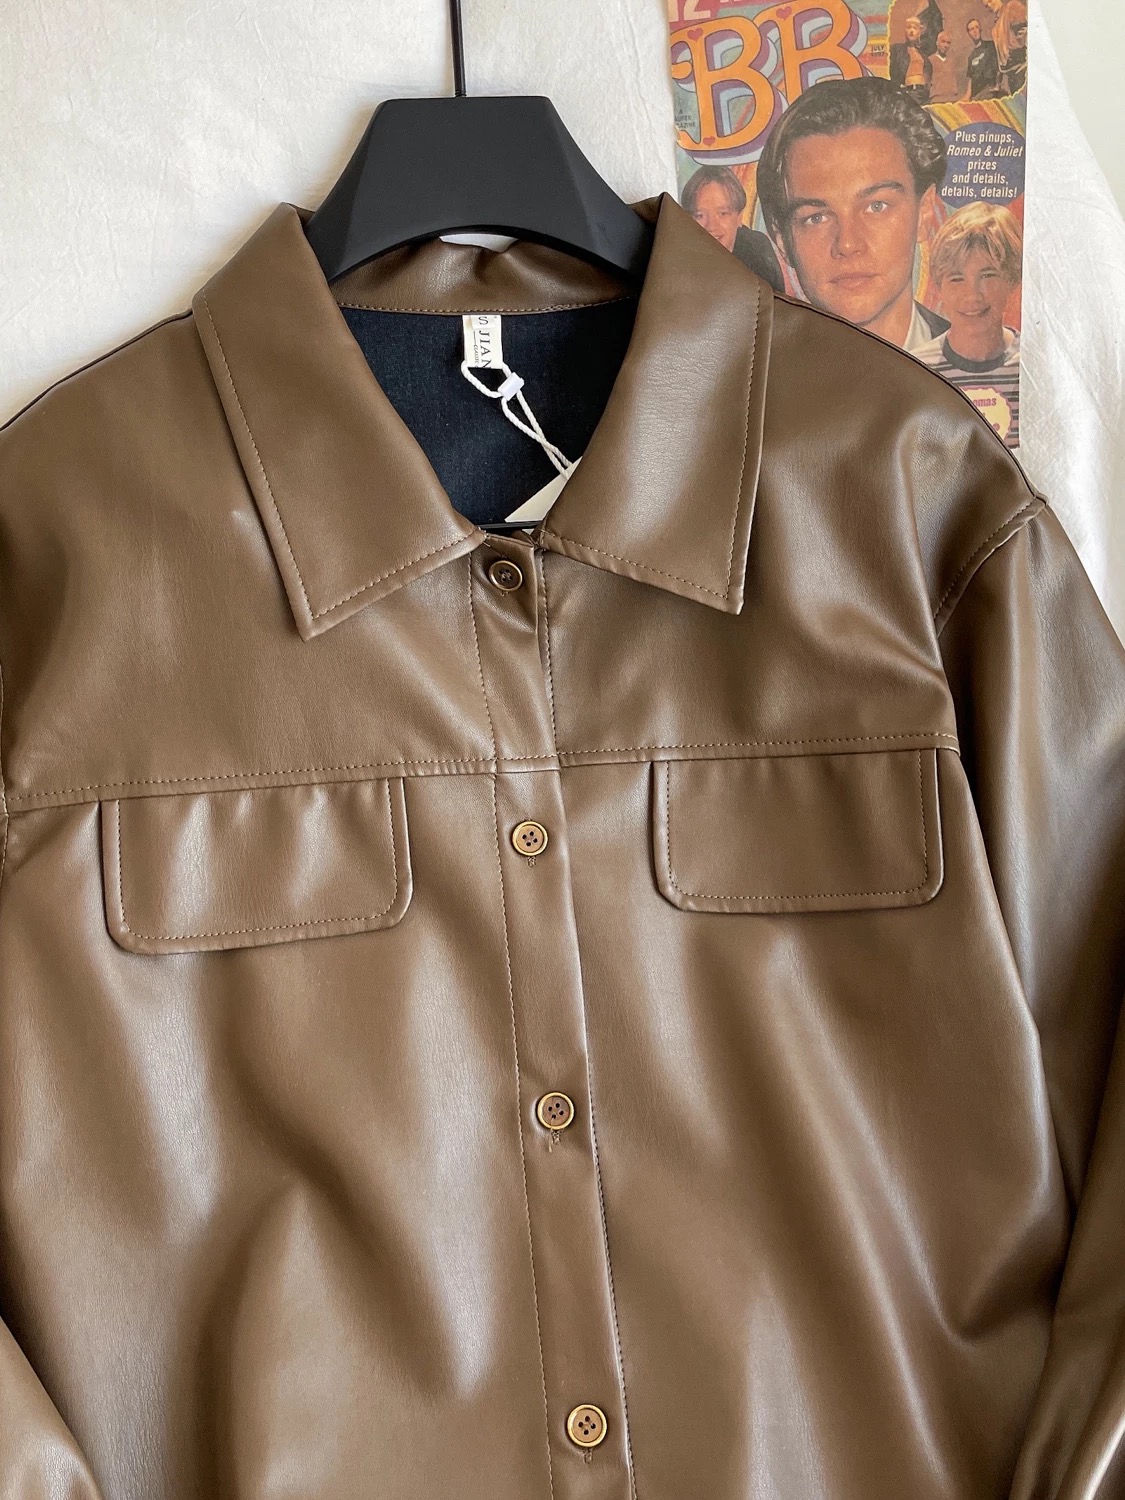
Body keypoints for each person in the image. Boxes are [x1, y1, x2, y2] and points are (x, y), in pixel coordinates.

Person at [755, 75, 950, 350]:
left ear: (925, 212)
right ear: (783, 241)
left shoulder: (993, 364)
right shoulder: (748, 374)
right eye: (816, 218)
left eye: (876, 207)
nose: (847, 244)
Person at [913, 202, 1023, 445]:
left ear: (1011, 279)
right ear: (939, 286)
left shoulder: (1032, 367)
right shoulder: (917, 370)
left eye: (987, 275)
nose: (972, 295)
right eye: (957, 279)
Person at [679, 165, 785, 291]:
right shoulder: (676, 260)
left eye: (722, 213)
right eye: (699, 216)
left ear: (739, 217)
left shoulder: (757, 252)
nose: (711, 226)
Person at [889, 15, 932, 99]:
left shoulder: (923, 56)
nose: (911, 31)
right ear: (905, 31)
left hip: (922, 95)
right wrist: (897, 88)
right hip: (907, 93)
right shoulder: (897, 49)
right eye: (909, 27)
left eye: (915, 28)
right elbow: (891, 71)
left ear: (919, 33)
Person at [962, 17, 1002, 100]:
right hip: (976, 96)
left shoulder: (990, 46)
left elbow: (1000, 65)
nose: (975, 31)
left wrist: (997, 85)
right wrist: (967, 96)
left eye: (977, 27)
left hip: (989, 91)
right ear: (968, 33)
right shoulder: (971, 56)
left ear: (980, 29)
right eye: (971, 29)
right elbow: (971, 79)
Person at [927, 31, 960, 104]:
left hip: (952, 100)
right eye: (943, 42)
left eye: (948, 43)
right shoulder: (930, 60)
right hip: (937, 100)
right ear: (937, 43)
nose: (945, 45)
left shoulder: (951, 61)